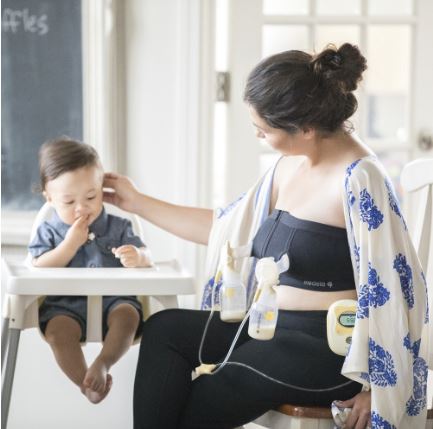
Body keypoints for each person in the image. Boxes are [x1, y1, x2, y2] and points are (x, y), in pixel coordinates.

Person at [104, 43, 429, 429]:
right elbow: (226, 227)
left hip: (326, 351)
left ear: (305, 128)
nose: (258, 136)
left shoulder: (360, 179)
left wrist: (376, 386)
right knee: (165, 330)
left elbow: (396, 288)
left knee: (208, 395)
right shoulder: (288, 166)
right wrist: (136, 202)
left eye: (264, 130)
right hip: (269, 328)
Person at [28, 137, 153, 404]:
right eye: (69, 201)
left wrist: (138, 257)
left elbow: (147, 255)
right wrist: (70, 244)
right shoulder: (48, 231)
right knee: (57, 333)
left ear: (101, 189)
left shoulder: (118, 227)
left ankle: (104, 363)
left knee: (129, 317)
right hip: (64, 306)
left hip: (115, 301)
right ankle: (84, 381)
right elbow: (38, 263)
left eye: (91, 196)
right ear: (49, 198)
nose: (81, 207)